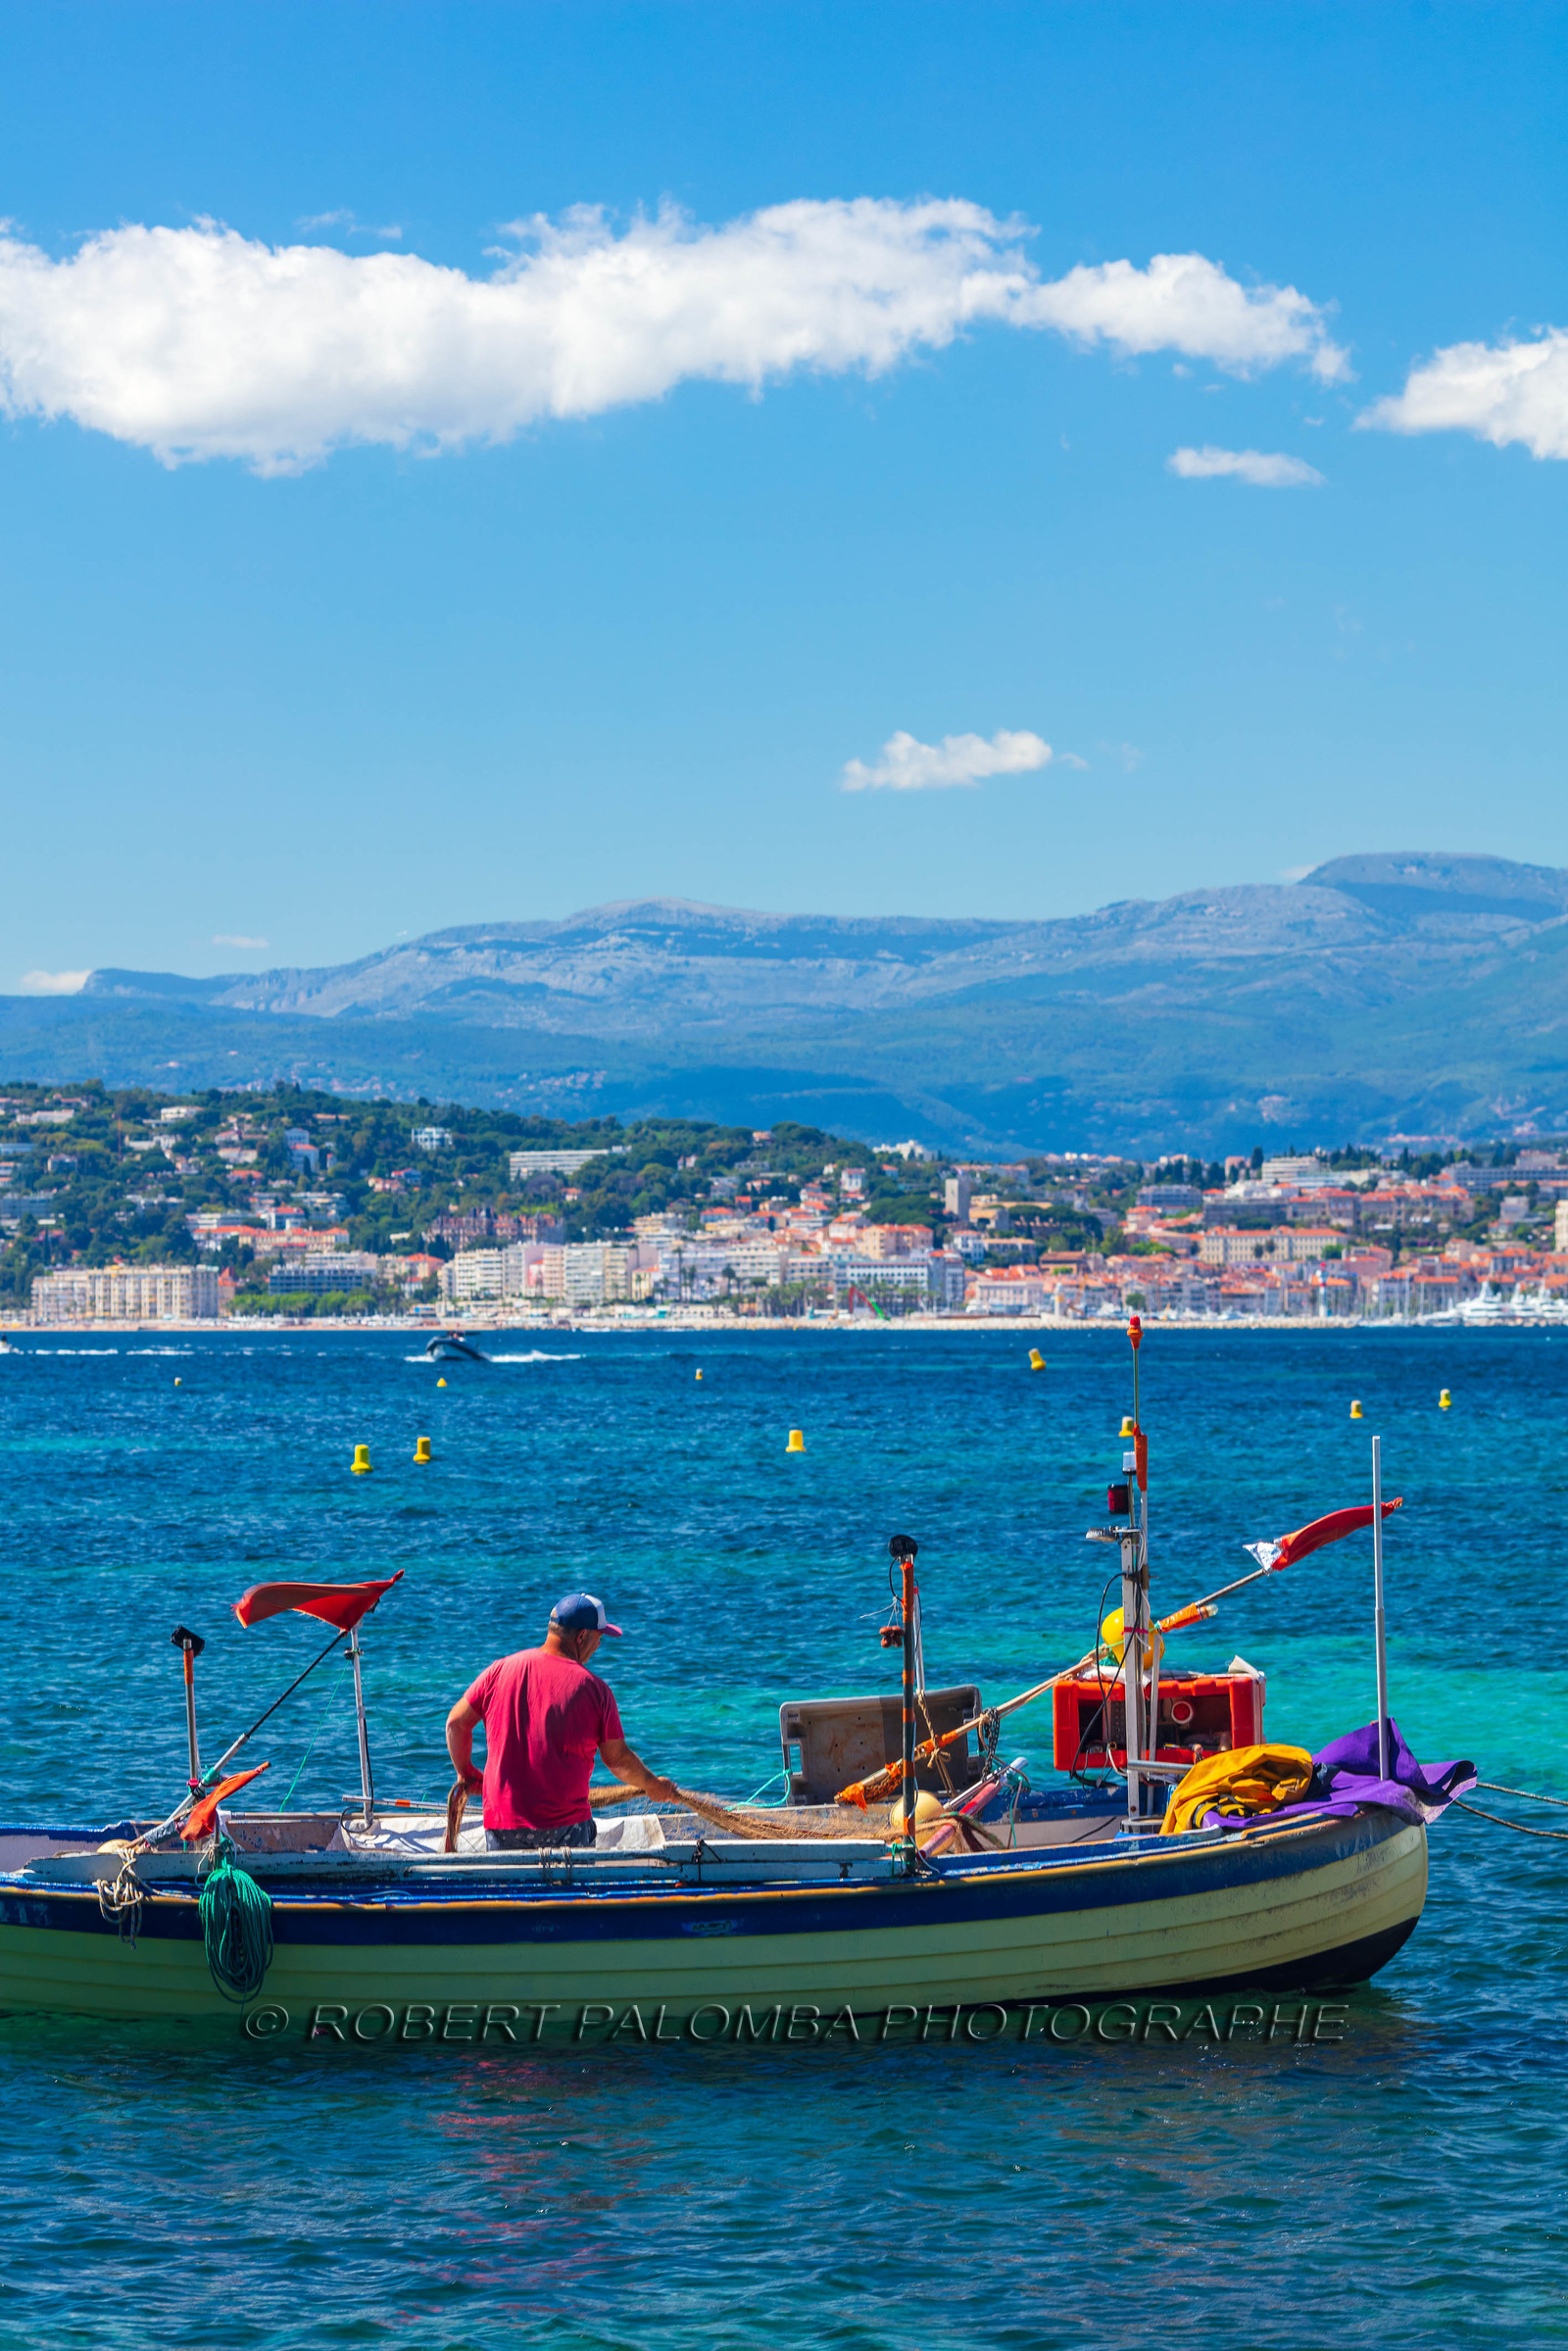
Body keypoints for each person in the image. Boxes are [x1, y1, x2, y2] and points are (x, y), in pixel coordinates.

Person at [445, 1591, 678, 1849]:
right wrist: (652, 1784)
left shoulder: (498, 1671)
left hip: (502, 1826)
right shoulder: (595, 1690)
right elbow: (617, 1760)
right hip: (564, 1829)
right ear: (582, 1637)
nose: (599, 1646)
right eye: (599, 1638)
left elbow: (456, 1724)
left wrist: (466, 1773)